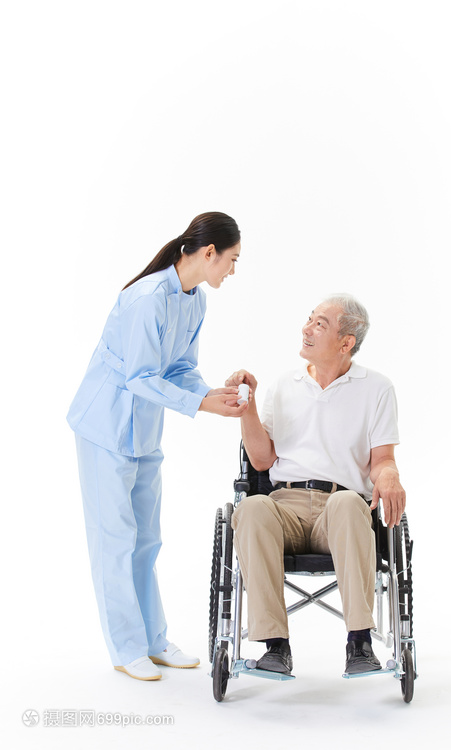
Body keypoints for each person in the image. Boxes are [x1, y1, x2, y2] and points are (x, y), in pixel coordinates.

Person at [67, 212, 248, 681]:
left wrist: (211, 394)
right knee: (114, 540)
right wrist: (201, 405)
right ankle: (126, 648)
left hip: (144, 432)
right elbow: (140, 377)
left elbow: (180, 368)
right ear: (208, 252)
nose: (232, 270)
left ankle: (153, 640)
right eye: (231, 260)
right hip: (105, 428)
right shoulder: (147, 298)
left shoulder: (195, 301)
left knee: (147, 539)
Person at [225, 294, 406, 676]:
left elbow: (382, 461)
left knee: (348, 504)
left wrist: (390, 475)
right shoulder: (283, 386)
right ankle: (275, 646)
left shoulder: (376, 388)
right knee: (251, 507)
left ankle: (360, 644)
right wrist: (248, 407)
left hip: (341, 508)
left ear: (346, 342)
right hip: (284, 506)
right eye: (309, 319)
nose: (306, 329)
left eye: (319, 324)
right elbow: (261, 460)